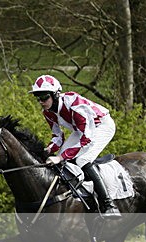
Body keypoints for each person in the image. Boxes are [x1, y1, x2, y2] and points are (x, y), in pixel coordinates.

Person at [29, 75, 121, 218]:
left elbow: (87, 138)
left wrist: (60, 157)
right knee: (60, 162)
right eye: (38, 98)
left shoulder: (75, 104)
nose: (41, 102)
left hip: (101, 126)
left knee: (82, 160)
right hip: (82, 130)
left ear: (55, 94)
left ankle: (109, 204)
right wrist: (47, 150)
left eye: (45, 97)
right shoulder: (48, 112)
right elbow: (57, 137)